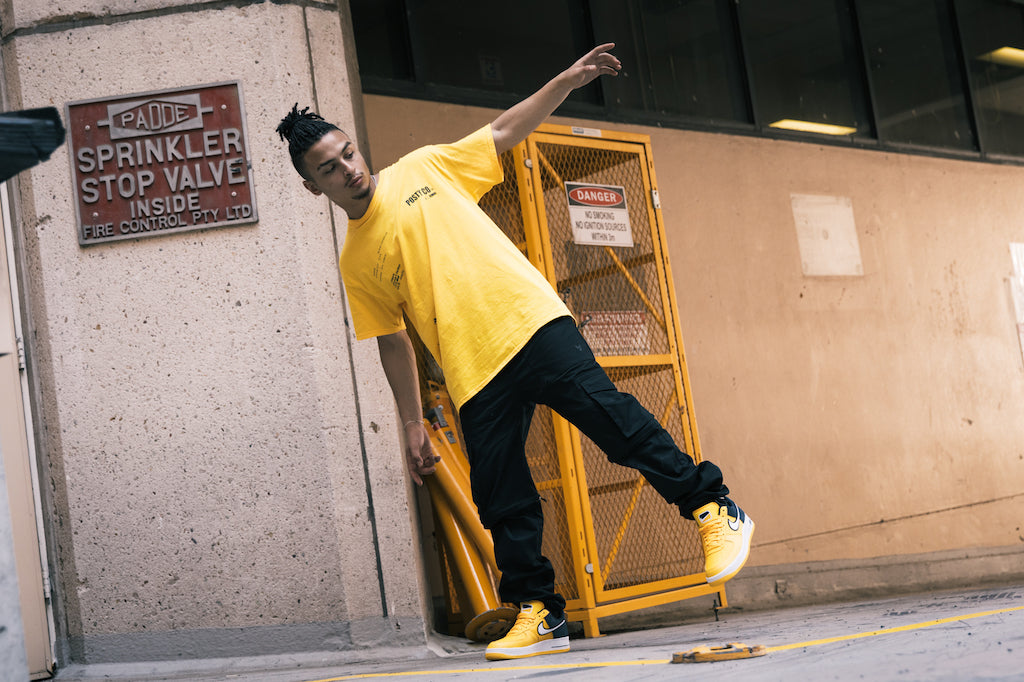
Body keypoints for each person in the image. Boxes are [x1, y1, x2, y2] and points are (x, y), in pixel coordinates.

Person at [276, 43, 754, 662]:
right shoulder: (355, 260)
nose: (348, 168)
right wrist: (413, 423)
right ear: (312, 187)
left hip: (530, 322)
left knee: (613, 423)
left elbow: (503, 132)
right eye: (329, 168)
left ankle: (713, 507)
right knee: (501, 496)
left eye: (348, 152)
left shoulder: (423, 168)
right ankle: (540, 612)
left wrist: (567, 81)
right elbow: (392, 340)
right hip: (471, 369)